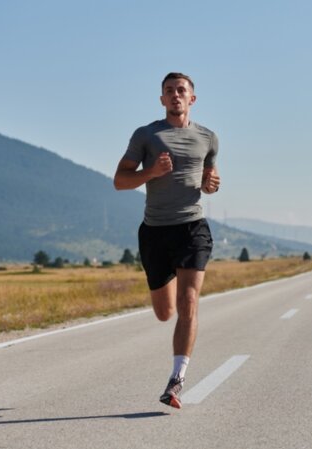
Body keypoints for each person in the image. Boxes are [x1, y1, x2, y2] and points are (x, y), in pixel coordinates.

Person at [113, 72, 220, 409]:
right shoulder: (146, 135)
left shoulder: (208, 138)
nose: (176, 95)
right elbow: (120, 181)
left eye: (181, 90)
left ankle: (176, 381)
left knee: (189, 303)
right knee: (164, 312)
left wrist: (210, 185)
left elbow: (207, 180)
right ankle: (167, 287)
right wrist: (150, 173)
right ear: (161, 99)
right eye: (169, 91)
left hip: (192, 228)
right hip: (155, 231)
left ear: (193, 98)